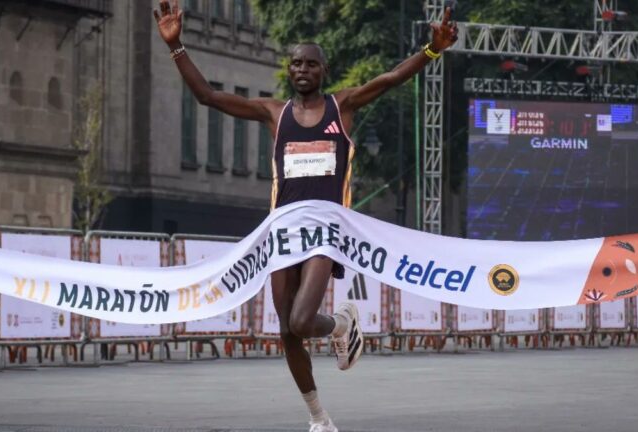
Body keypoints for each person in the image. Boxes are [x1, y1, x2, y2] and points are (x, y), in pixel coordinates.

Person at [153, 2, 458, 430]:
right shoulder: (273, 113)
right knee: (287, 331)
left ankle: (338, 323)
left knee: (300, 319)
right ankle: (319, 418)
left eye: (311, 64)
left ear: (323, 70)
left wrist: (432, 50)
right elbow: (208, 96)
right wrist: (176, 46)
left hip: (326, 232)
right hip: (282, 232)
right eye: (296, 63)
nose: (302, 69)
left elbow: (389, 79)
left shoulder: (342, 107)